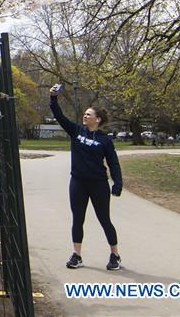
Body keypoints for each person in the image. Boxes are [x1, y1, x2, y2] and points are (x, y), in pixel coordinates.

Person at [49, 85, 123, 271]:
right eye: (84, 114)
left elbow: (113, 163)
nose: (85, 116)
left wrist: (117, 183)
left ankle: (114, 255)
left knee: (104, 219)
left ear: (97, 120)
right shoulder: (76, 131)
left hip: (98, 184)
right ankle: (77, 255)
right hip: (78, 182)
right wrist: (53, 98)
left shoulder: (105, 140)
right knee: (77, 219)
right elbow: (59, 116)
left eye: (88, 114)